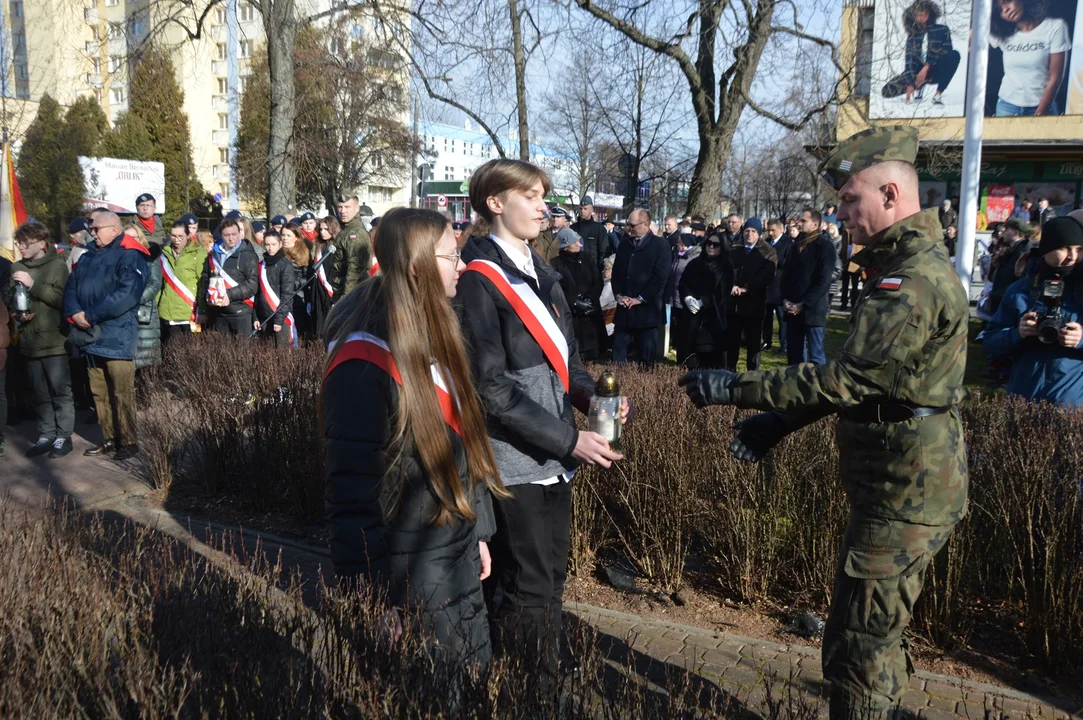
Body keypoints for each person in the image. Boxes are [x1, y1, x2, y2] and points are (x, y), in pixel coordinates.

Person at [679, 125, 969, 720]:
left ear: (890, 195)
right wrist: (780, 422)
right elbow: (872, 381)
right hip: (900, 480)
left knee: (858, 645)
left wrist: (737, 387)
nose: (839, 213)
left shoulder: (908, 280)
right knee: (873, 632)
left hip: (906, 487)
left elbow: (849, 381)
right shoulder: (901, 263)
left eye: (849, 198)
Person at [456, 158, 627, 678]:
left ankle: (541, 682)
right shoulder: (477, 281)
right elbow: (490, 389)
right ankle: (524, 690)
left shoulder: (543, 274)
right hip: (514, 464)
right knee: (524, 586)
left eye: (543, 196)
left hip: (554, 457)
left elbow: (567, 364)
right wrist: (569, 439)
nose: (541, 205)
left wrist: (595, 403)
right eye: (529, 195)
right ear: (494, 202)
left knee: (551, 578)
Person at [323, 207, 505, 667]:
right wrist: (374, 599)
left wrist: (478, 529)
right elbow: (351, 497)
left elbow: (465, 442)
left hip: (454, 551)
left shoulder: (437, 329)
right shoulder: (364, 361)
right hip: (407, 572)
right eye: (451, 256)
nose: (463, 266)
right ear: (417, 266)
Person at [64, 211, 150, 461]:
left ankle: (129, 441)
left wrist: (89, 315)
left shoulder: (130, 255)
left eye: (96, 229)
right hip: (90, 335)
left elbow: (127, 294)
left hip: (116, 335)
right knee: (99, 392)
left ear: (114, 229)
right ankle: (110, 439)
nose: (91, 233)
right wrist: (75, 312)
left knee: (121, 392)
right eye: (91, 229)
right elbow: (71, 287)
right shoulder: (88, 255)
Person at [983, 217, 1083, 407]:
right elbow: (990, 343)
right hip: (1024, 405)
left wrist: (1081, 339)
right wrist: (1017, 333)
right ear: (1046, 249)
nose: (1073, 256)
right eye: (1065, 248)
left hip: (1072, 409)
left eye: (1079, 249)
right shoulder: (1019, 291)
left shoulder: (1080, 292)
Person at [8, 221, 74, 458]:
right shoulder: (16, 266)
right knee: (39, 392)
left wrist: (33, 284)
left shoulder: (57, 266)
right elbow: (12, 297)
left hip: (54, 341)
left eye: (26, 243)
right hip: (29, 340)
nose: (21, 247)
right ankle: (46, 434)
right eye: (19, 243)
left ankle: (64, 437)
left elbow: (63, 301)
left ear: (42, 244)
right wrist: (16, 312)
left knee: (60, 391)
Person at [611, 208, 670, 366]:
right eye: (628, 225)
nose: (628, 228)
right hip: (624, 309)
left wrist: (640, 299)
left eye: (632, 225)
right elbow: (616, 273)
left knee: (646, 359)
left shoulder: (660, 245)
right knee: (618, 358)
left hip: (647, 311)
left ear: (645, 225)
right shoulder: (624, 244)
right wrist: (618, 295)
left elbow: (660, 277)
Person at [990, 0, 1070, 116]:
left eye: (1007, 1)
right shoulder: (1003, 34)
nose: (1005, 9)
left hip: (1042, 106)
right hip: (1007, 106)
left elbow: (1056, 78)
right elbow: (972, 39)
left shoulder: (1054, 27)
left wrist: (1039, 114)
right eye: (999, 10)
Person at [782, 207, 836, 365]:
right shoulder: (795, 245)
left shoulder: (825, 247)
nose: (799, 223)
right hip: (792, 309)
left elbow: (824, 281)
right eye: (799, 220)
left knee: (816, 356)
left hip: (813, 309)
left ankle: (816, 388)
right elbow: (785, 276)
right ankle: (794, 386)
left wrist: (803, 304)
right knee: (794, 355)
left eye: (804, 220)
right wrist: (785, 299)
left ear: (815, 224)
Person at [881, 0, 961, 105]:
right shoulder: (913, 36)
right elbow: (909, 61)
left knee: (954, 55)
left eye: (924, 14)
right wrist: (910, 83)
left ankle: (937, 95)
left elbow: (946, 51)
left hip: (936, 69)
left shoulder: (942, 30)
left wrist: (927, 67)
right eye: (918, 14)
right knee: (887, 91)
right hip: (917, 73)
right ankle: (919, 87)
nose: (921, 17)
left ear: (930, 13)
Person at [726, 218, 776, 372]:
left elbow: (767, 276)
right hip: (733, 305)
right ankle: (729, 373)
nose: (749, 234)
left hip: (754, 305)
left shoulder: (767, 251)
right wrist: (730, 285)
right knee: (731, 343)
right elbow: (725, 270)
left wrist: (747, 288)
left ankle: (752, 376)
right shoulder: (734, 249)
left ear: (759, 234)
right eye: (747, 230)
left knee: (753, 345)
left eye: (753, 231)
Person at [679, 232, 734, 369]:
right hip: (691, 316)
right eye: (708, 243)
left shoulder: (725, 267)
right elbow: (683, 283)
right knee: (689, 357)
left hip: (712, 318)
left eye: (715, 245)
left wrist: (703, 301)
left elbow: (723, 292)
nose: (711, 247)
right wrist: (687, 298)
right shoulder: (695, 263)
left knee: (710, 359)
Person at [197, 217, 259, 335]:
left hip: (241, 312)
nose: (231, 238)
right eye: (226, 235)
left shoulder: (248, 255)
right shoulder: (213, 255)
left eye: (234, 234)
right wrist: (207, 298)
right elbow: (205, 279)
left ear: (239, 233)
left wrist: (229, 295)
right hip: (217, 313)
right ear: (221, 235)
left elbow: (252, 284)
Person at [551, 228, 602, 362]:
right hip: (572, 314)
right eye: (575, 243)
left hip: (590, 312)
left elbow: (597, 281)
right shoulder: (556, 264)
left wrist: (590, 299)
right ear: (566, 246)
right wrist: (574, 302)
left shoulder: (587, 258)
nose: (579, 245)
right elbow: (557, 289)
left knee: (593, 352)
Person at [159, 219, 207, 344]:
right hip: (168, 312)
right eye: (173, 236)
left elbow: (202, 283)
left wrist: (202, 310)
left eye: (180, 236)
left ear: (188, 235)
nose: (177, 239)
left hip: (189, 313)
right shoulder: (165, 253)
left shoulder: (198, 253)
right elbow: (161, 284)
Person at [125, 225, 163, 371]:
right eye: (127, 237)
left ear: (140, 238)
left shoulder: (150, 258)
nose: (131, 241)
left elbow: (155, 284)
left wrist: (134, 299)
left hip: (145, 312)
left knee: (146, 362)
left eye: (134, 237)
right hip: (124, 313)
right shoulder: (117, 257)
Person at [254, 232, 297, 347]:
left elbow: (287, 295)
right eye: (267, 244)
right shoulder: (260, 265)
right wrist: (255, 316)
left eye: (273, 244)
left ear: (280, 244)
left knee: (282, 355)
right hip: (264, 317)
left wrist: (279, 320)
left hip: (281, 318)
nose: (270, 248)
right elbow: (256, 293)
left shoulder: (285, 265)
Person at [665, 233, 702, 365]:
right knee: (678, 332)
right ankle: (680, 360)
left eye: (680, 243)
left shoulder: (694, 257)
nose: (677, 245)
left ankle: (688, 359)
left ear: (686, 244)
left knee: (687, 332)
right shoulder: (678, 256)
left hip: (687, 301)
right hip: (674, 299)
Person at [987, 217, 1033, 316]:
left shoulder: (1021, 253)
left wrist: (997, 294)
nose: (1003, 233)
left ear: (1015, 233)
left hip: (1009, 305)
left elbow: (1015, 281)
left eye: (1007, 229)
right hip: (1001, 301)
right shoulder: (1012, 250)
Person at [332, 190, 373, 296]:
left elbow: (355, 270)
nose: (343, 211)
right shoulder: (346, 229)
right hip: (342, 288)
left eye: (347, 207)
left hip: (354, 292)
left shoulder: (356, 233)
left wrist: (345, 298)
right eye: (340, 207)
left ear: (357, 208)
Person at [763, 219, 793, 353]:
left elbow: (787, 263)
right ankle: (766, 341)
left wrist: (772, 261)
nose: (770, 232)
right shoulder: (767, 243)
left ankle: (784, 344)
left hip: (780, 286)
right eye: (769, 230)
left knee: (782, 318)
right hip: (767, 285)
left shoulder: (788, 244)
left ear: (781, 229)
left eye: (773, 230)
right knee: (766, 316)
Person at [310, 216, 340, 338]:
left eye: (326, 229)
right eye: (321, 229)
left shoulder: (337, 245)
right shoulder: (317, 246)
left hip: (332, 288)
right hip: (319, 289)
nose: (323, 232)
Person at [281, 222, 311, 337]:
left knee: (299, 331)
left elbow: (307, 277)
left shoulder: (303, 253)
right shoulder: (278, 252)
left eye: (288, 235)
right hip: (281, 297)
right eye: (283, 235)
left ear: (297, 237)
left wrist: (292, 284)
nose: (285, 238)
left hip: (298, 296)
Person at [571, 196, 610, 270]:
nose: (582, 211)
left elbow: (603, 251)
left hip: (592, 270)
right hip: (575, 270)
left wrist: (598, 270)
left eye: (585, 208)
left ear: (591, 209)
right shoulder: (573, 228)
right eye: (581, 208)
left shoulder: (599, 229)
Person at [839, 224, 862, 310]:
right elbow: (843, 247)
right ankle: (843, 303)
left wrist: (862, 264)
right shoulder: (846, 233)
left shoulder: (860, 233)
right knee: (844, 286)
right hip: (846, 263)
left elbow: (862, 248)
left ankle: (853, 304)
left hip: (856, 265)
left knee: (854, 286)